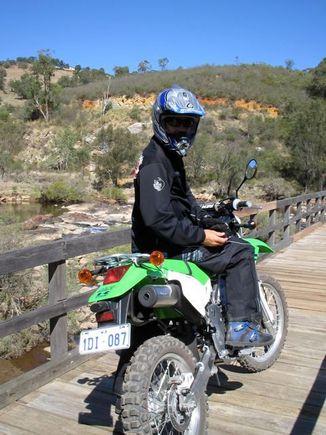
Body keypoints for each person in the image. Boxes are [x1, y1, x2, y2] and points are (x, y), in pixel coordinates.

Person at [131, 85, 273, 347]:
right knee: (240, 252)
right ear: (159, 122)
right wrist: (201, 236)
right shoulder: (155, 162)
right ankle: (242, 327)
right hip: (168, 249)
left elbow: (184, 200)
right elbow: (158, 219)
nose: (181, 130)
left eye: (187, 124)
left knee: (221, 236)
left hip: (166, 243)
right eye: (174, 123)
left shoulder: (168, 156)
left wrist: (207, 216)